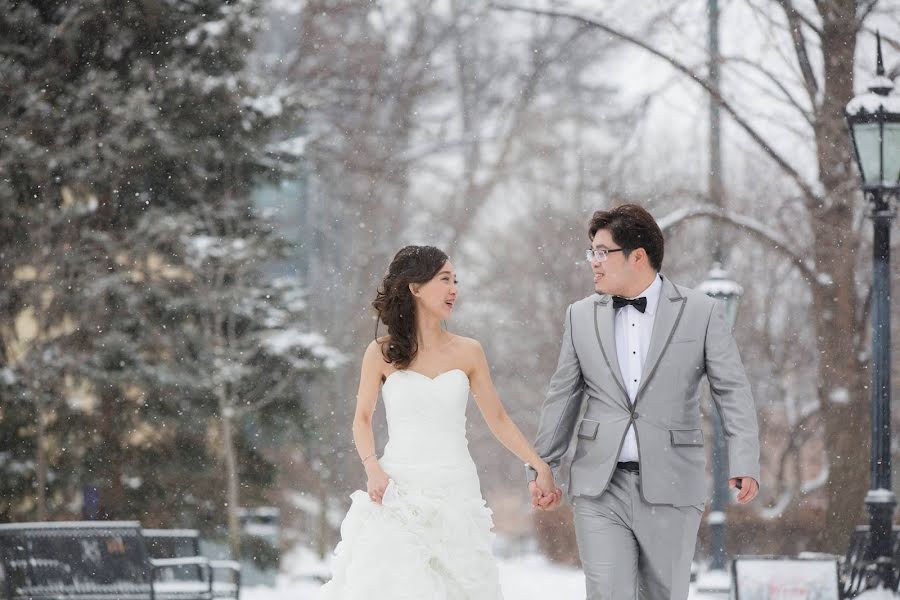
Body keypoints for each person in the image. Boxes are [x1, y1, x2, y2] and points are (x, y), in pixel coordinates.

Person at [528, 204, 760, 599]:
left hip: (672, 482)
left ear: (638, 256)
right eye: (592, 252)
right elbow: (563, 396)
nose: (593, 263)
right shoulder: (579, 316)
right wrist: (542, 466)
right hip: (600, 485)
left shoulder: (701, 312)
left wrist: (744, 460)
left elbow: (732, 389)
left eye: (603, 252)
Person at [320, 245, 559, 599]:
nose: (454, 289)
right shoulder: (381, 353)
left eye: (456, 281)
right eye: (445, 279)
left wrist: (538, 465)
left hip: (456, 492)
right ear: (415, 288)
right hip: (398, 493)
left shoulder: (469, 351)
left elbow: (498, 418)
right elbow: (362, 419)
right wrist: (373, 469)